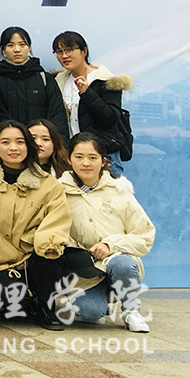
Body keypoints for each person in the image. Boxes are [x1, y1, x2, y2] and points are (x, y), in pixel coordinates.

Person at [0, 120, 74, 329]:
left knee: (51, 254)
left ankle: (46, 307)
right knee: (10, 303)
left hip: (33, 255)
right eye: (5, 142)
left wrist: (43, 243)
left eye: (20, 142)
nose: (13, 148)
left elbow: (57, 220)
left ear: (29, 146)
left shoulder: (48, 184)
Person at [58, 133, 155, 333]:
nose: (86, 163)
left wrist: (110, 245)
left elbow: (145, 235)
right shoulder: (59, 191)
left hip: (115, 261)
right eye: (79, 157)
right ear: (69, 159)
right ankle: (99, 304)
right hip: (84, 271)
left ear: (103, 161)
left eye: (92, 157)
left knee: (123, 264)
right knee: (90, 314)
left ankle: (131, 311)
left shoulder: (119, 191)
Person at [52, 31, 131, 176]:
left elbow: (110, 118)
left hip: (103, 155)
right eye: (59, 51)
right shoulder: (59, 81)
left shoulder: (105, 80)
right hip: (71, 156)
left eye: (69, 50)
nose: (64, 56)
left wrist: (87, 92)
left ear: (84, 51)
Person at [0, 27, 66, 135]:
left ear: (29, 47)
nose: (17, 50)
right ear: (3, 49)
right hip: (12, 142)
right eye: (10, 45)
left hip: (41, 142)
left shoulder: (44, 79)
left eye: (22, 44)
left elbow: (57, 116)